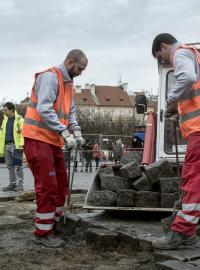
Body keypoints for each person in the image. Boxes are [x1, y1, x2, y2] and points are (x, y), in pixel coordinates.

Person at [22, 49, 87, 248]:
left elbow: (70, 110)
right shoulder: (51, 77)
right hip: (38, 138)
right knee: (48, 186)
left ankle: (54, 223)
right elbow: (44, 108)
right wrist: (63, 131)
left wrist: (75, 131)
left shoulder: (68, 83)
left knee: (61, 185)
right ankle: (42, 232)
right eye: (79, 68)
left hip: (52, 141)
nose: (80, 72)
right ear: (69, 62)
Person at [151, 33, 200, 249]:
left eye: (161, 57)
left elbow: (187, 79)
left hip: (199, 130)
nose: (164, 61)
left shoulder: (180, 53)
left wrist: (171, 102)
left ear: (164, 46)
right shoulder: (194, 54)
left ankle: (183, 233)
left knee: (193, 180)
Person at [0, 102, 24, 191]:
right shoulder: (5, 120)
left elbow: (23, 133)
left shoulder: (19, 120)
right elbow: (2, 133)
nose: (4, 111)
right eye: (3, 110)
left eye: (5, 110)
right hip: (6, 146)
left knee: (18, 166)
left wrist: (21, 144)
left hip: (16, 146)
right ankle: (12, 184)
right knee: (9, 166)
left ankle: (20, 185)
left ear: (11, 110)